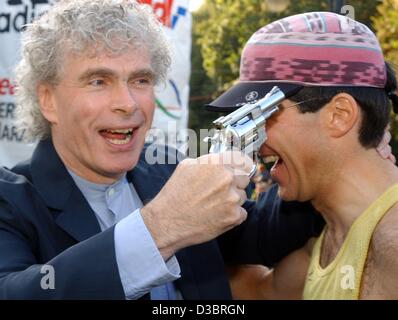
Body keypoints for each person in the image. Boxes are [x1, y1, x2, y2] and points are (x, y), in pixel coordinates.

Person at [0, 0, 328, 300]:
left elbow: (257, 232)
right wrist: (160, 228)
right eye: (98, 81)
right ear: (48, 100)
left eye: (141, 80)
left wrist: (331, 162)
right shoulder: (10, 201)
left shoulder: (170, 169)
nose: (127, 104)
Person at [206, 12, 398, 299]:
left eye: (262, 116)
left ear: (339, 115)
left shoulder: (391, 245)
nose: (254, 141)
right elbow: (257, 292)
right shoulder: (324, 239)